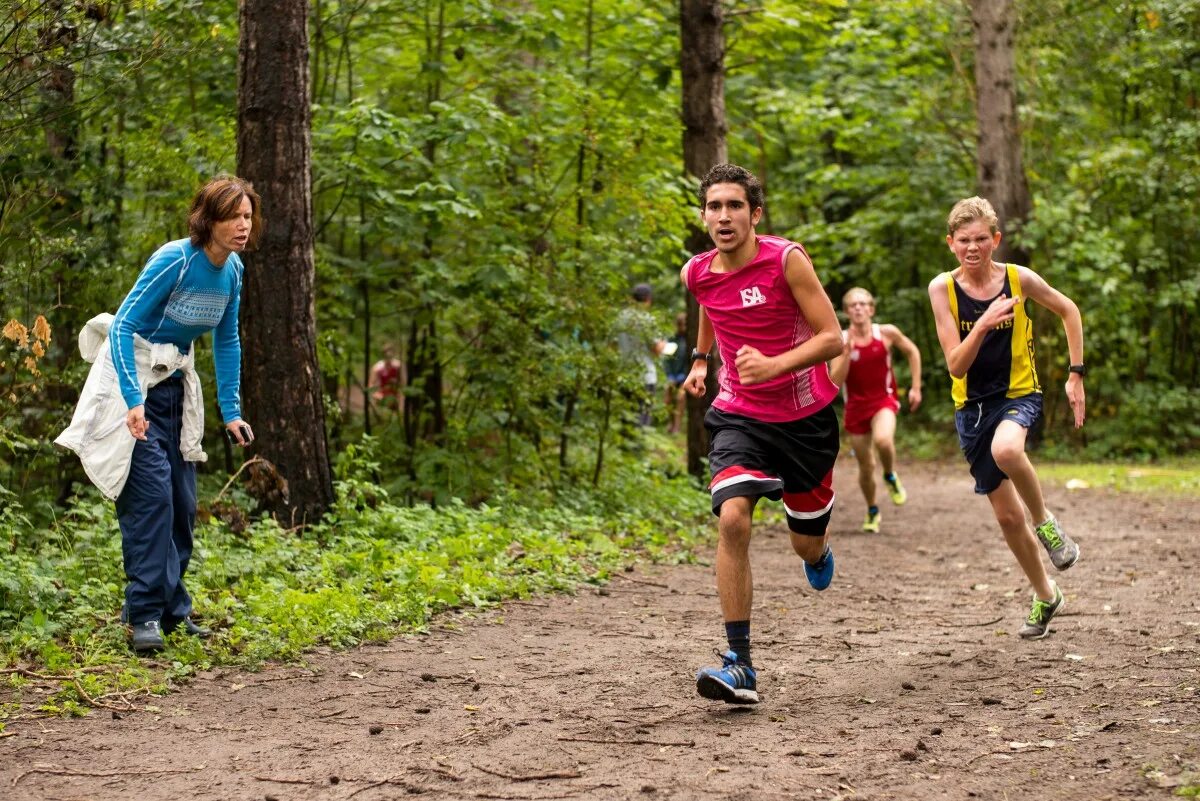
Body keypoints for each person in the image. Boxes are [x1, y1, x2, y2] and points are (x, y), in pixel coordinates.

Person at [58, 175, 260, 654]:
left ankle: (171, 608)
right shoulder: (175, 259)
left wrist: (231, 411)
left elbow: (226, 338)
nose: (243, 226)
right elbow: (125, 325)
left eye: (248, 216)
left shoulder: (231, 271)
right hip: (132, 383)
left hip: (174, 388)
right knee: (151, 502)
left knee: (183, 506)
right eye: (233, 216)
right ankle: (144, 615)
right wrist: (132, 401)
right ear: (208, 219)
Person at [682, 164, 842, 704]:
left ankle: (817, 553)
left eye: (734, 206)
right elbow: (710, 304)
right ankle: (741, 663)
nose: (723, 216)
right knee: (732, 518)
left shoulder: (785, 261)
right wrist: (703, 359)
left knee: (805, 542)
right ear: (703, 215)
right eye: (713, 207)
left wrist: (774, 366)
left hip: (805, 421)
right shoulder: (697, 271)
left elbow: (832, 338)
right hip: (740, 414)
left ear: (755, 213)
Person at [928, 196, 1084, 641]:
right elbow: (956, 365)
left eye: (981, 238)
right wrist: (981, 324)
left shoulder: (1018, 279)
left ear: (996, 239)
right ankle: (1046, 594)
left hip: (1019, 393)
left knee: (1008, 449)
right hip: (971, 408)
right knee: (1006, 519)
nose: (973, 247)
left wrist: (1076, 375)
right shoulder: (942, 289)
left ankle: (1048, 525)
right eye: (964, 241)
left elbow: (1069, 309)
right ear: (951, 244)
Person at [828, 288, 922, 533]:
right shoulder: (840, 340)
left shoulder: (886, 333)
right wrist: (846, 355)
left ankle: (890, 475)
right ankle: (872, 509)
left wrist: (915, 387)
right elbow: (834, 382)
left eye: (863, 304)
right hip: (855, 408)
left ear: (871, 309)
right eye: (853, 305)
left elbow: (912, 351)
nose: (858, 308)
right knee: (866, 466)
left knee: (883, 440)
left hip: (884, 400)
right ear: (847, 311)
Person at [616, 283, 665, 427]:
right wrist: (663, 344)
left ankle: (626, 448)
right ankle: (639, 448)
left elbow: (612, 345)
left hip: (624, 375)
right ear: (648, 299)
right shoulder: (647, 319)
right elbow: (656, 349)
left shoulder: (621, 317)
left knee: (627, 418)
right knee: (642, 418)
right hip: (645, 376)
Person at [663, 312, 689, 434]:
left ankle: (677, 427)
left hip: (685, 376)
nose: (682, 327)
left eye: (684, 324)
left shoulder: (690, 339)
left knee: (680, 397)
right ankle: (670, 422)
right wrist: (670, 376)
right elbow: (667, 359)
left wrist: (685, 377)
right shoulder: (672, 339)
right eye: (680, 324)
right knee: (667, 394)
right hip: (673, 375)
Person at [370, 343, 405, 413]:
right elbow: (371, 384)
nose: (389, 356)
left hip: (395, 398)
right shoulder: (377, 367)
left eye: (390, 354)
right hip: (382, 397)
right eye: (386, 354)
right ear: (383, 354)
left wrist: (401, 399)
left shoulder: (398, 366)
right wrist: (376, 395)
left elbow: (403, 383)